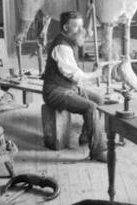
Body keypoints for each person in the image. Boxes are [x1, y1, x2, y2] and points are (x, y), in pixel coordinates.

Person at [42, 11, 107, 162]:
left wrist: (90, 11)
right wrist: (95, 74)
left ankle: (86, 135)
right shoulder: (62, 47)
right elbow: (76, 75)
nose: (82, 30)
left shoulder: (71, 40)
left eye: (82, 26)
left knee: (98, 99)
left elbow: (88, 33)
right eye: (76, 27)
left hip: (67, 87)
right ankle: (97, 150)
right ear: (65, 28)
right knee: (90, 107)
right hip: (55, 91)